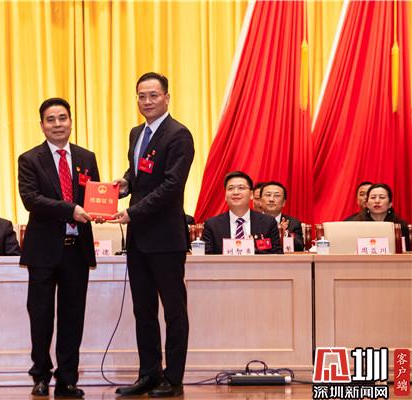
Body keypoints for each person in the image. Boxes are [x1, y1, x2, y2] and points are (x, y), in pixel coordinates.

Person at [112, 72, 194, 397]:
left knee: (174, 310)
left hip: (166, 238)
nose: (146, 102)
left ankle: (173, 378)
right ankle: (149, 373)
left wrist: (133, 212)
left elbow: (171, 186)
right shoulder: (137, 133)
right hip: (138, 239)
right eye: (141, 96)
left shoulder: (179, 135)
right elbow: (139, 173)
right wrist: (124, 184)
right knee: (143, 310)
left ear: (166, 98)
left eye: (153, 95)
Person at [18, 97, 100, 398]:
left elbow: (94, 196)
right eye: (50, 120)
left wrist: (105, 203)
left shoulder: (87, 157)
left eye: (62, 118)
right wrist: (70, 210)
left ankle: (67, 379)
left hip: (76, 249)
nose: (57, 124)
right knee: (41, 316)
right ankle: (40, 375)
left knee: (72, 316)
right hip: (43, 251)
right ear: (42, 125)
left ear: (71, 121)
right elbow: (31, 200)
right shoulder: (29, 159)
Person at [202, 171, 282, 255]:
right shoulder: (212, 225)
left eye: (241, 188)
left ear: (251, 194)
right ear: (225, 196)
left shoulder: (268, 223)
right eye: (230, 188)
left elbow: (277, 255)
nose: (236, 192)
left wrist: (251, 249)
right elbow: (206, 257)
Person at [354, 183, 410, 250]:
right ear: (367, 204)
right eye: (373, 197)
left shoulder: (400, 226)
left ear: (390, 204)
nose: (377, 201)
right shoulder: (356, 224)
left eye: (382, 197)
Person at [259, 181, 304, 251]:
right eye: (268, 195)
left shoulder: (293, 223)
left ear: (284, 202)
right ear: (260, 201)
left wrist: (285, 234)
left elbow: (300, 247)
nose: (271, 199)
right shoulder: (252, 221)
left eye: (277, 196)